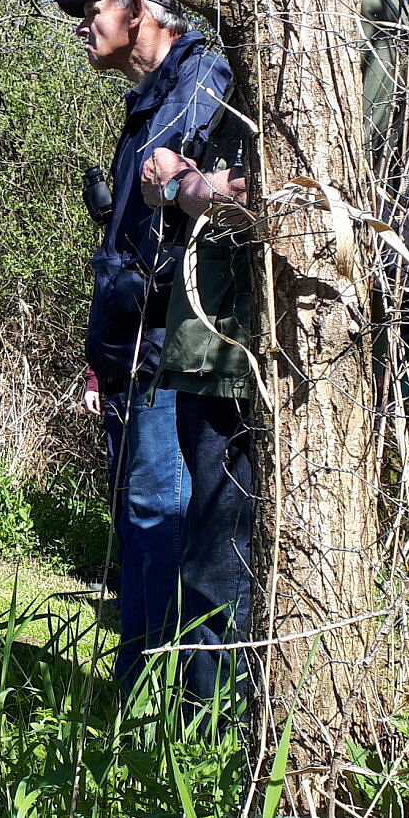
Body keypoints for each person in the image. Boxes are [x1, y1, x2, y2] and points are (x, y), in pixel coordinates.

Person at [55, 0, 229, 692]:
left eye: (93, 7)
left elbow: (182, 209)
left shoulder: (200, 78)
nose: (81, 23)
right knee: (141, 515)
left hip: (166, 348)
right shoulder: (146, 101)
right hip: (130, 352)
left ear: (144, 10)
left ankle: (154, 699)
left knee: (161, 513)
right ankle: (144, 694)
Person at [138, 125, 257, 711]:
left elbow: (274, 191)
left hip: (240, 362)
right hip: (200, 358)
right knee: (207, 548)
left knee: (222, 556)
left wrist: (189, 181)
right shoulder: (225, 89)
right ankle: (197, 715)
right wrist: (186, 184)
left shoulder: (327, 65)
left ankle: (212, 725)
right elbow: (166, 186)